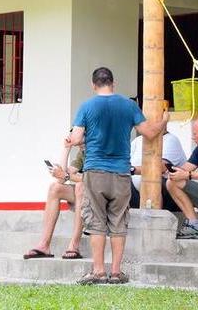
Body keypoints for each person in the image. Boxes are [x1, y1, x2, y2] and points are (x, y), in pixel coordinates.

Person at [66, 67, 166, 285]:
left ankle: (99, 271)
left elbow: (75, 138)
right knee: (119, 222)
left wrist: (74, 139)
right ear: (113, 82)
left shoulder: (87, 106)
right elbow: (149, 132)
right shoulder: (129, 106)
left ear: (94, 84)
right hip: (121, 172)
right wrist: (163, 120)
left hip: (95, 171)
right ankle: (116, 272)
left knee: (96, 222)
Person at [23, 144, 86, 260]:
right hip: (86, 194)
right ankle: (44, 245)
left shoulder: (97, 147)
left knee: (80, 186)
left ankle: (74, 245)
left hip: (102, 194)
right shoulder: (81, 153)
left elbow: (94, 180)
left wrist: (66, 175)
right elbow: (61, 180)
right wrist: (67, 148)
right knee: (55, 188)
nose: (75, 141)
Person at [129, 127, 186, 211]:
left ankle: (154, 219)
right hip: (136, 192)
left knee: (151, 178)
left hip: (166, 193)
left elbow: (160, 168)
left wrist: (132, 170)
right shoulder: (137, 141)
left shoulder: (171, 140)